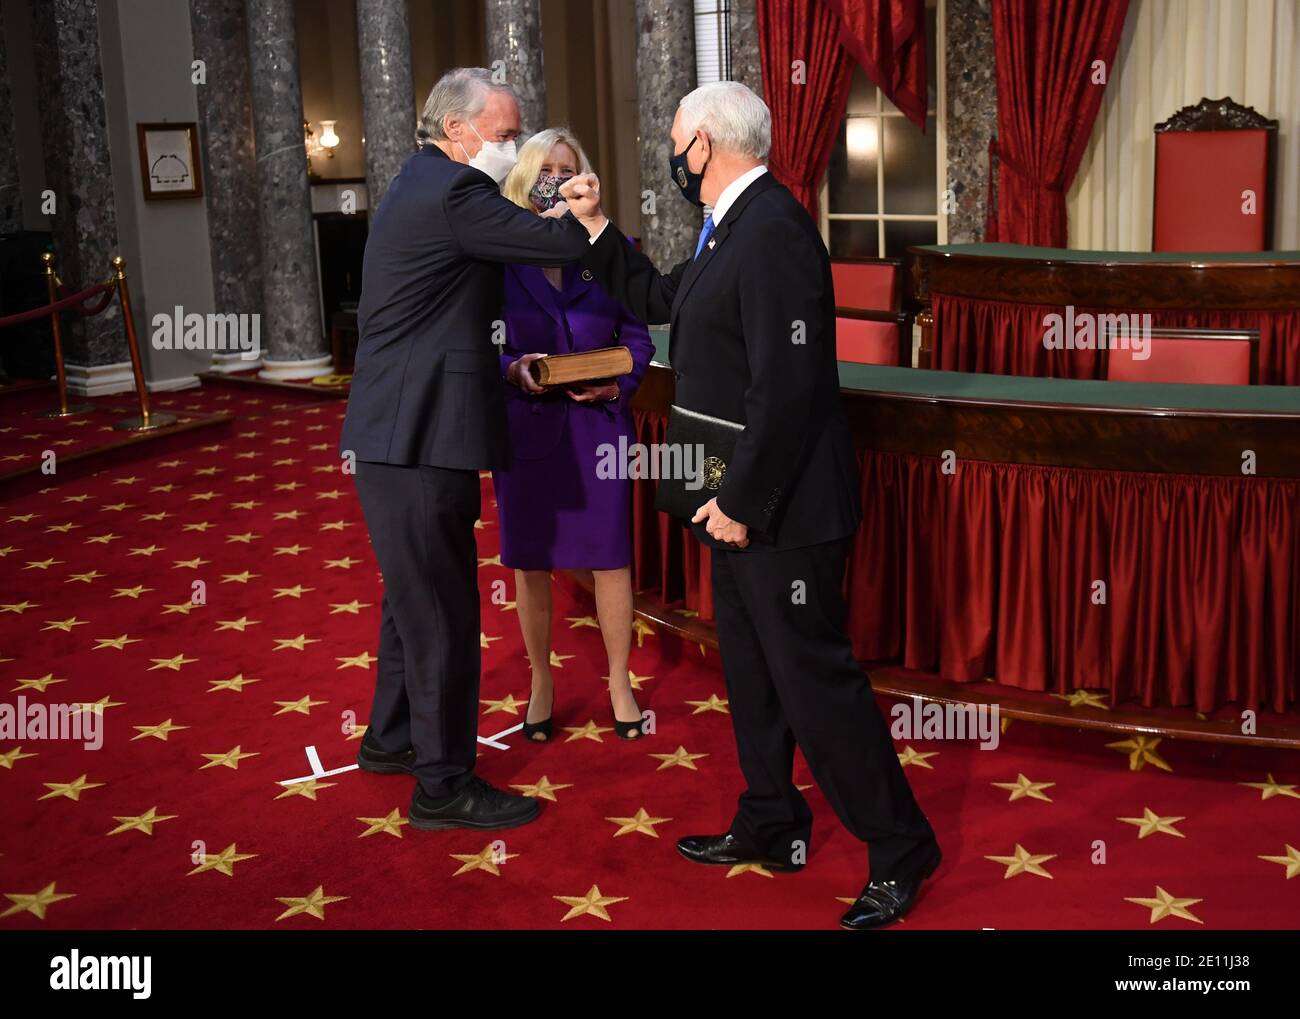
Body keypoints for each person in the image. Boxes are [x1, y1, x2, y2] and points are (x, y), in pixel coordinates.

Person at [558, 81, 941, 929]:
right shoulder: (730, 223)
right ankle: (773, 821)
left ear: (706, 144)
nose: (671, 158)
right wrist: (593, 230)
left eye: (674, 143)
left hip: (781, 512)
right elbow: (664, 301)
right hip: (729, 502)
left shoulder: (770, 230)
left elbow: (791, 387)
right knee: (753, 675)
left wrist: (741, 499)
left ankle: (902, 844)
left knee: (815, 686)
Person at [339, 68, 594, 833]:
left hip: (396, 430)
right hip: (418, 436)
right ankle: (443, 784)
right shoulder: (455, 192)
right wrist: (580, 207)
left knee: (409, 604)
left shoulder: (420, 182)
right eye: (506, 131)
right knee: (445, 612)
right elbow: (550, 241)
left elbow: (446, 304)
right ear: (458, 131)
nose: (513, 143)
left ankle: (390, 740)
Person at [494, 129, 656, 742]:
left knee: (611, 558)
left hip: (600, 428)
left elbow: (637, 338)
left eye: (569, 168)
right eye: (546, 168)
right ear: (524, 178)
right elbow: (482, 341)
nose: (558, 178)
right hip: (527, 429)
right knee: (530, 562)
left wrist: (618, 384)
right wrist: (513, 369)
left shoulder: (614, 249)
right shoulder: (497, 257)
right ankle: (541, 680)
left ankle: (619, 680)